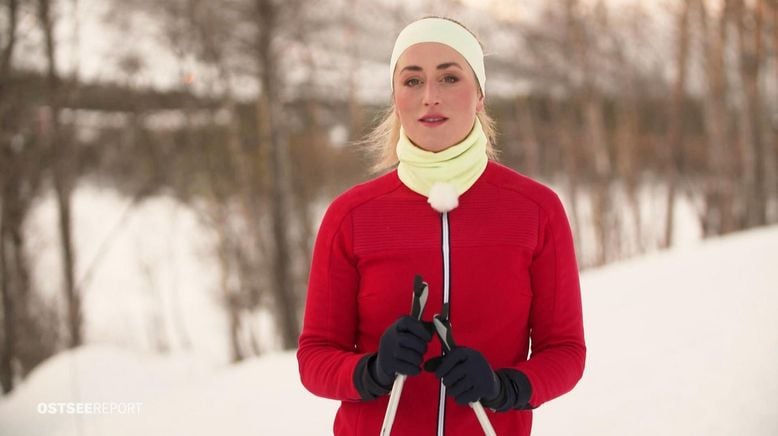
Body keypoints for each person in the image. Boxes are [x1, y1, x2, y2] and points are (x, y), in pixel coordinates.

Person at [297, 16, 585, 436]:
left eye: (449, 78)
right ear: (395, 97)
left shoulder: (536, 211)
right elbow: (315, 357)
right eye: (412, 81)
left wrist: (505, 387)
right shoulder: (351, 216)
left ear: (480, 95)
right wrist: (371, 371)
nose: (430, 96)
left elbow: (565, 352)